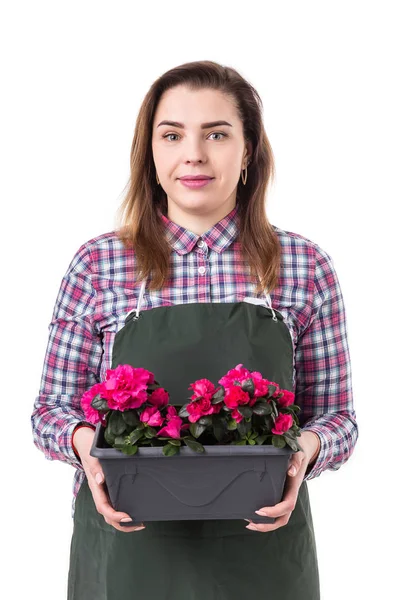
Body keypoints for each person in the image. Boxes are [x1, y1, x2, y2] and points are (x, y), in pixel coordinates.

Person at [31, 60, 358, 600]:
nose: (194, 154)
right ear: (151, 152)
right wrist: (89, 451)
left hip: (263, 558)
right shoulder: (99, 264)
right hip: (128, 559)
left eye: (217, 134)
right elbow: (51, 411)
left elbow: (339, 418)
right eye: (172, 134)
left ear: (248, 150)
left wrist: (302, 452)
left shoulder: (303, 266)